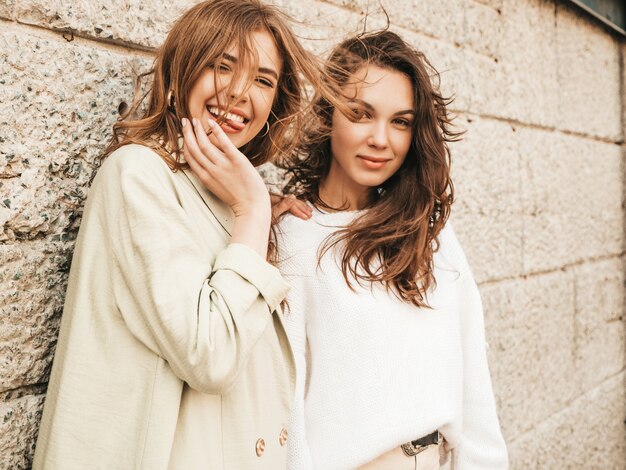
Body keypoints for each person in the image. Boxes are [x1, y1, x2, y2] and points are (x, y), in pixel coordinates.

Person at [31, 1, 337, 468]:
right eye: (222, 65)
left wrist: (249, 217)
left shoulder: (222, 194)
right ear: (181, 72)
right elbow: (209, 355)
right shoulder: (137, 174)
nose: (238, 93)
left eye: (262, 80)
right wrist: (251, 211)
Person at [276, 31, 509, 469]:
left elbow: (474, 381)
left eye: (400, 121)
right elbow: (286, 408)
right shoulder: (294, 239)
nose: (381, 139)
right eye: (361, 114)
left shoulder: (431, 233)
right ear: (328, 116)